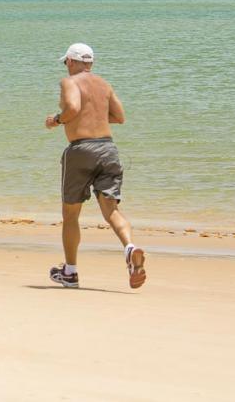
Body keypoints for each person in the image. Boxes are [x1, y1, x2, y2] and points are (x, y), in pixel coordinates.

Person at [45, 43, 146, 289]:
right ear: (90, 62)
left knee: (71, 214)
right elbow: (120, 117)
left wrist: (56, 120)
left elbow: (73, 108)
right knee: (111, 210)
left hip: (81, 150)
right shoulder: (104, 84)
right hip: (108, 149)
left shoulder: (69, 82)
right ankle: (130, 248)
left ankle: (70, 273)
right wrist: (97, 116)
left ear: (71, 61)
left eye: (66, 62)